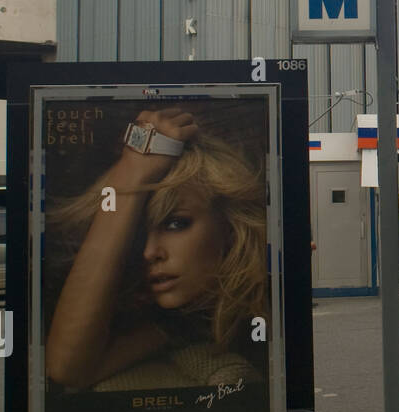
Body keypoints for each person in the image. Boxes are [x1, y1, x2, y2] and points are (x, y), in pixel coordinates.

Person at [44, 107, 269, 393]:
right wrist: (131, 174)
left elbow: (68, 369)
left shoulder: (268, 307)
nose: (150, 252)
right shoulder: (176, 321)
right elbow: (66, 368)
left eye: (176, 224)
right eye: (135, 234)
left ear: (229, 226)